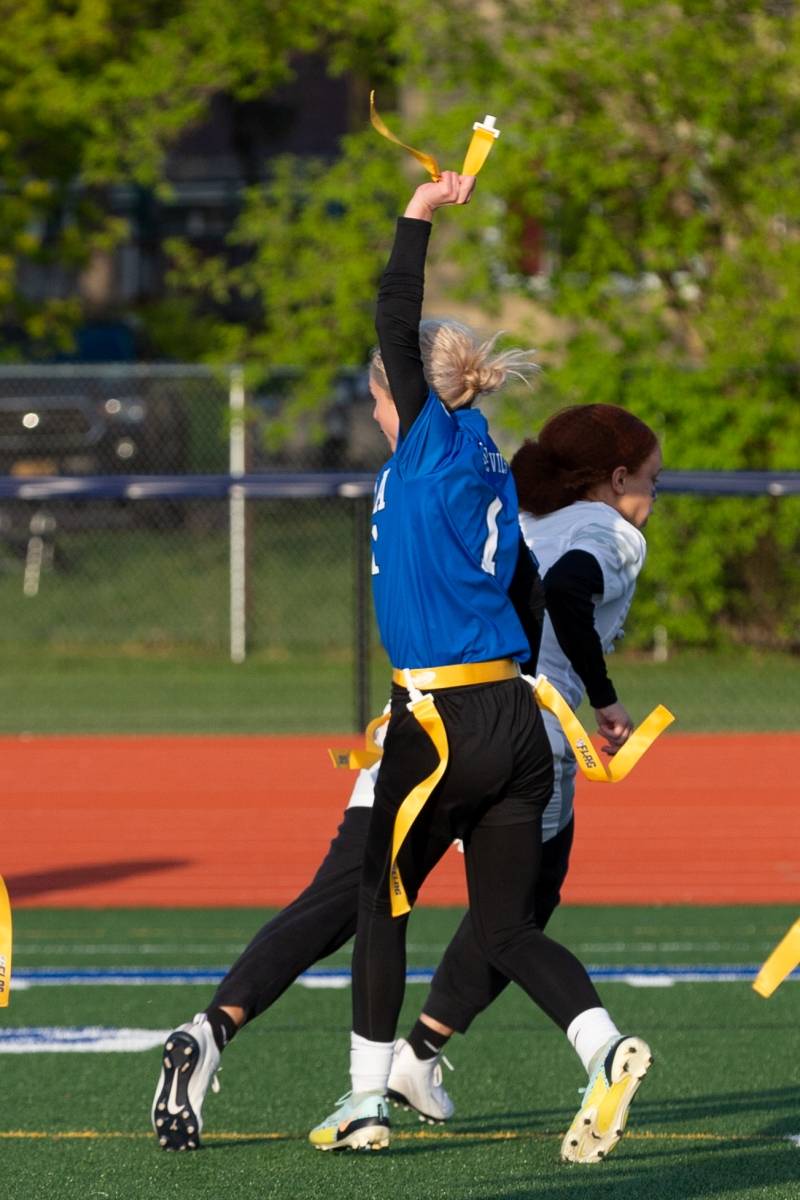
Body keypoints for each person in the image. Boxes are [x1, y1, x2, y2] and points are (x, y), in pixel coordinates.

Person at [306, 171, 651, 1162]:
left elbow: (391, 308)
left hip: (442, 718)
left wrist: (415, 214)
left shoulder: (425, 443)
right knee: (504, 926)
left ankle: (366, 1102)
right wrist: (604, 697)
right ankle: (602, 1043)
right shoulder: (490, 462)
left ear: (407, 387)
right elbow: (532, 598)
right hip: (515, 722)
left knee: (381, 900)